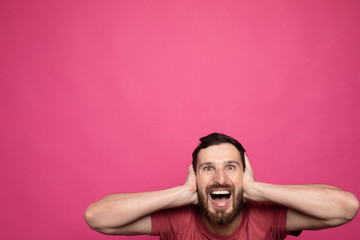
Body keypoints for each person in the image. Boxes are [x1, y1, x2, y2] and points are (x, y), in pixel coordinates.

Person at [85, 133, 359, 239]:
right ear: (195, 176)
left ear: (244, 174)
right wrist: (184, 193)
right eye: (208, 169)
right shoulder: (177, 220)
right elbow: (97, 217)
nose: (220, 179)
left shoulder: (269, 215)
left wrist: (256, 190)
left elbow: (346, 208)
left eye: (231, 167)